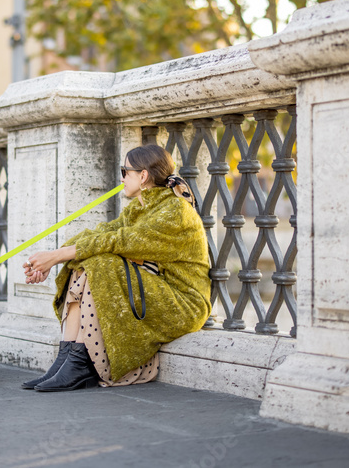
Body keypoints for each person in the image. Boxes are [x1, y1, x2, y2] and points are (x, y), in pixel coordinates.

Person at [21, 144, 211, 391]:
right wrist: (51, 259)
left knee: (100, 262)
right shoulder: (140, 207)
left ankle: (80, 364)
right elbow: (101, 233)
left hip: (182, 302)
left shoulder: (175, 211)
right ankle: (67, 360)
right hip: (156, 291)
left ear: (143, 176)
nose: (121, 178)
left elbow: (121, 241)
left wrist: (58, 256)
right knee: (89, 260)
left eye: (125, 171)